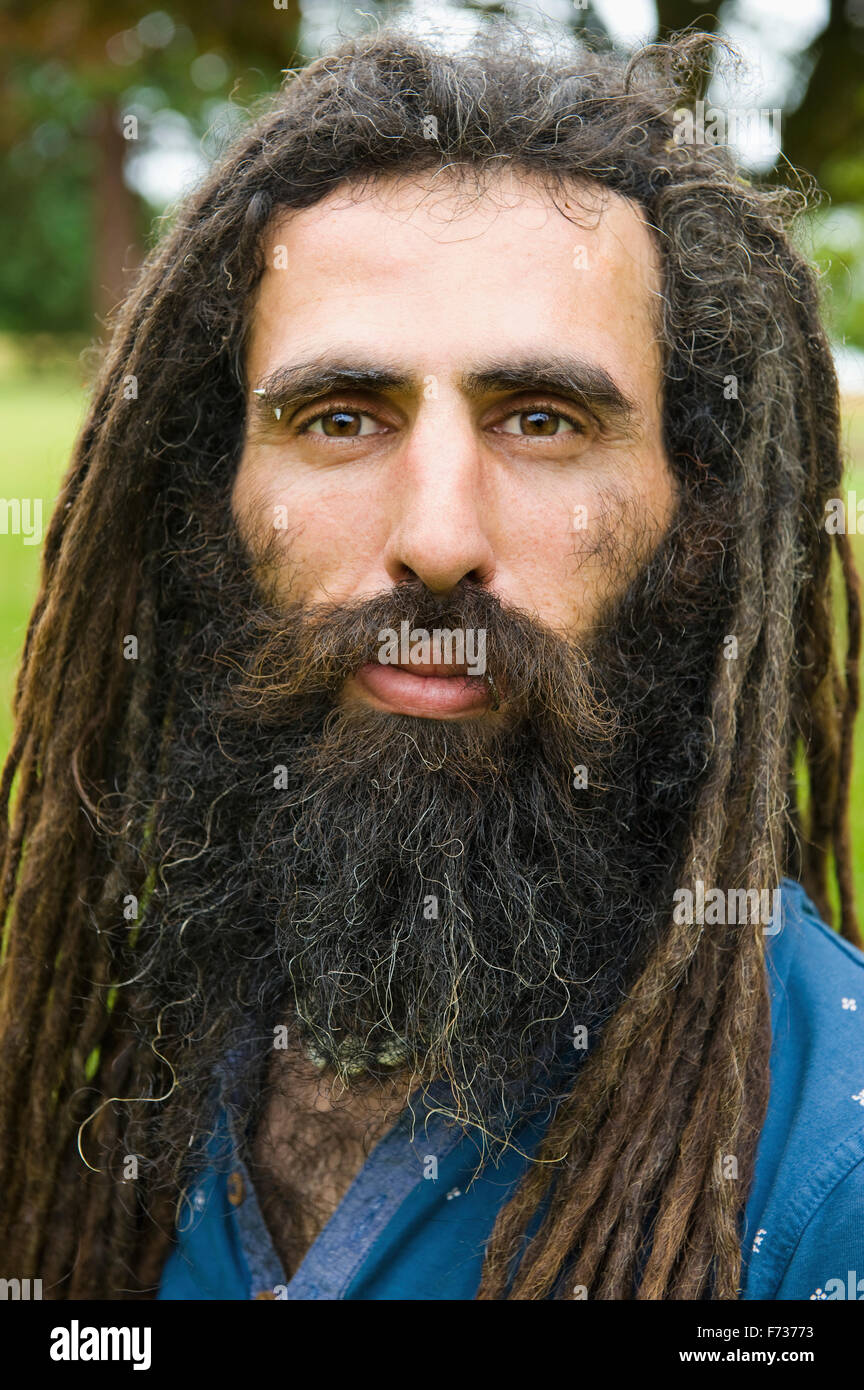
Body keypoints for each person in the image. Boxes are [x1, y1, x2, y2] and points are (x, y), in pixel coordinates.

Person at [1, 23, 863, 1302]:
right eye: (341, 417)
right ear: (209, 504)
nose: (440, 538)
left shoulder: (826, 1179)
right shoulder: (109, 1039)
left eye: (544, 420)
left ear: (698, 522)